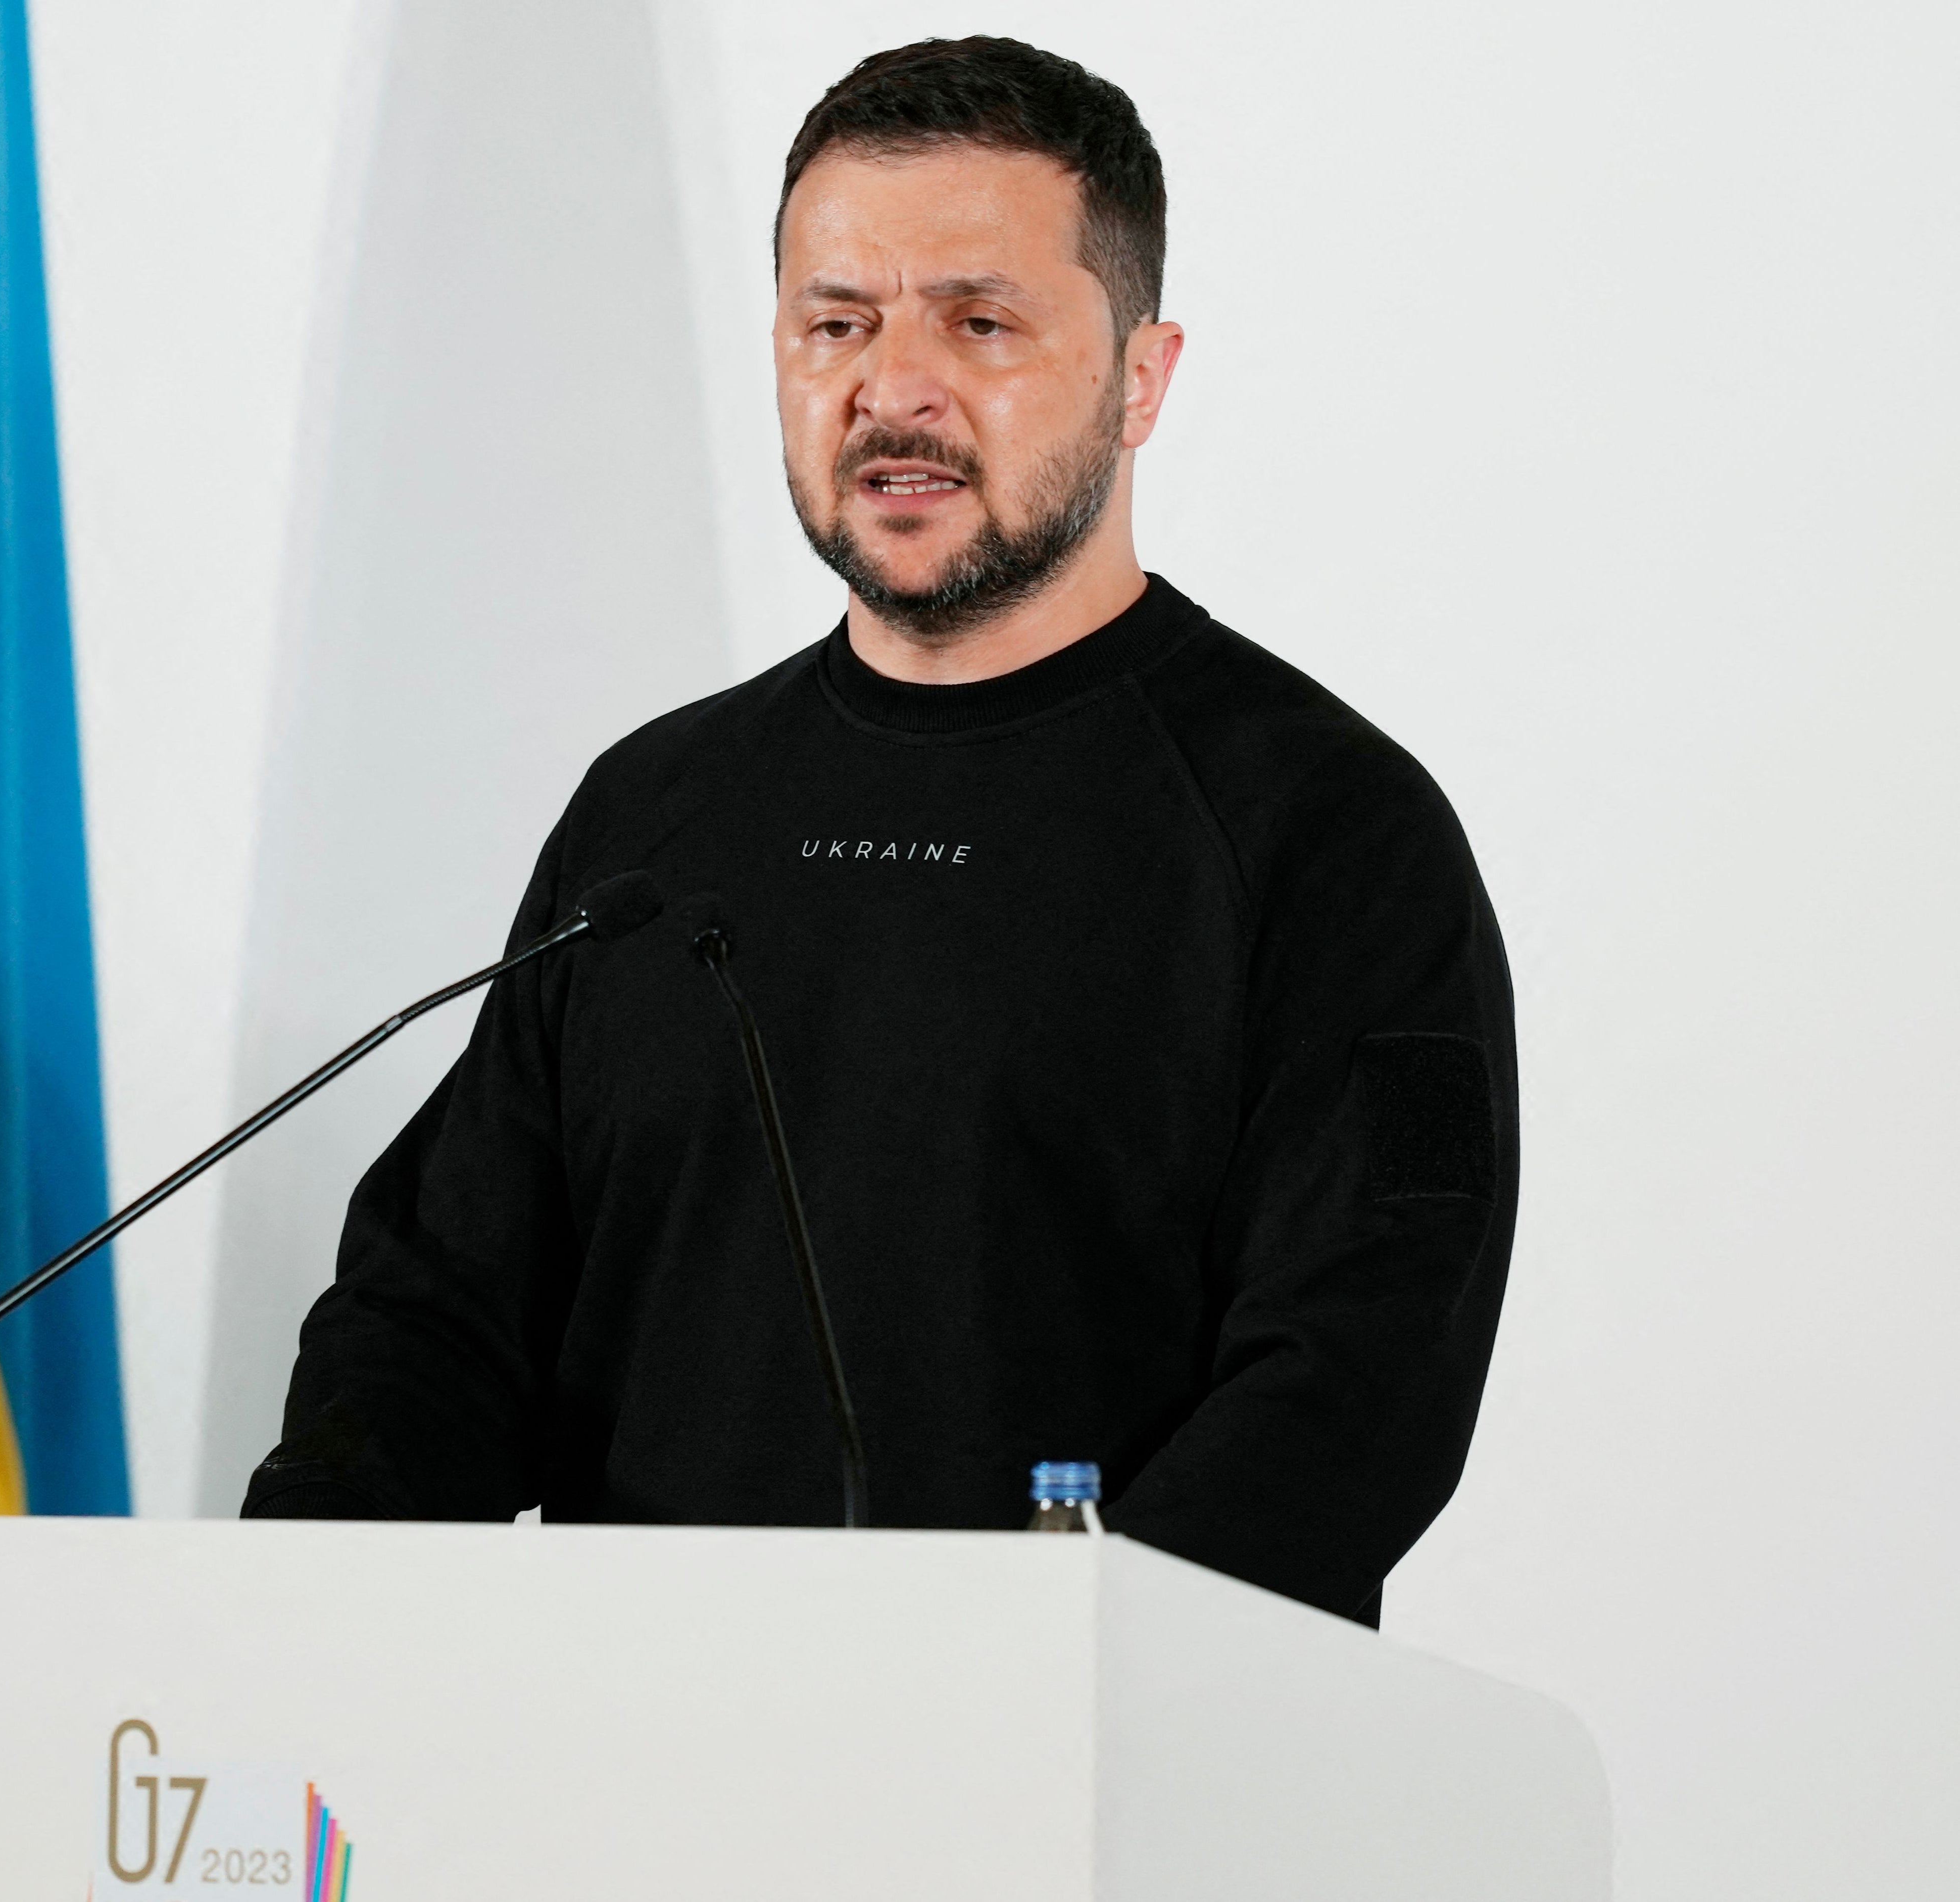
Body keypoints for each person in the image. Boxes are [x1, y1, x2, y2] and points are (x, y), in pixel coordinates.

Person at [241, 35, 1516, 1628]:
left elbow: (1366, 1366)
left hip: (1091, 1804)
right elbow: (438, 1307)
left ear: (1140, 375)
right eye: (834, 322)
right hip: (627, 1771)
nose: (890, 387)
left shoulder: (1335, 828)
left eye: (979, 324)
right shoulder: (652, 817)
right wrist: (284, 1610)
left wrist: (1066, 1683)